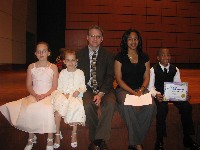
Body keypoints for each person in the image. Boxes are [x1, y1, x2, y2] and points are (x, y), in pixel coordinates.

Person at [0, 41, 59, 150]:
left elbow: (55, 86)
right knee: (28, 108)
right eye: (39, 51)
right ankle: (31, 137)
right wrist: (35, 95)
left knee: (47, 109)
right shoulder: (31, 67)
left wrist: (45, 95)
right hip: (34, 94)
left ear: (49, 53)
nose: (41, 53)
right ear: (35, 54)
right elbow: (28, 85)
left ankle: (50, 138)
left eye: (44, 51)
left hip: (49, 94)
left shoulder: (53, 67)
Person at [148, 48, 200, 150]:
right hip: (161, 96)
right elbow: (150, 87)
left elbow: (178, 84)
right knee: (162, 109)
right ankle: (159, 140)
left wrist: (183, 95)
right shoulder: (153, 70)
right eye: (163, 55)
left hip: (172, 94)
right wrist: (156, 94)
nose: (166, 57)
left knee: (187, 106)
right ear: (158, 58)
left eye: (168, 55)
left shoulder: (175, 69)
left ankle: (187, 137)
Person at [114, 29, 156, 150]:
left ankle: (134, 141)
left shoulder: (145, 57)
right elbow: (119, 80)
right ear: (126, 41)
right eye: (130, 39)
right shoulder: (119, 57)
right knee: (126, 106)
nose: (133, 41)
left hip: (141, 88)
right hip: (124, 89)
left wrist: (142, 89)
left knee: (152, 106)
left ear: (139, 40)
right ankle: (138, 144)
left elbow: (147, 77)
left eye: (135, 39)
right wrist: (132, 92)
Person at [77, 25, 116, 150]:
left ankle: (98, 140)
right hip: (87, 88)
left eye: (98, 36)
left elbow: (110, 76)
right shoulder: (79, 54)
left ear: (102, 39)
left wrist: (100, 93)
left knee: (110, 104)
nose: (95, 39)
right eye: (92, 36)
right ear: (87, 38)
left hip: (105, 88)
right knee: (88, 105)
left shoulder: (109, 55)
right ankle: (97, 139)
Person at [51, 49, 86, 148]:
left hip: (75, 95)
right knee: (57, 110)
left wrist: (78, 91)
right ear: (64, 62)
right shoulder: (62, 73)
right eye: (68, 60)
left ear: (76, 61)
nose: (71, 62)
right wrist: (63, 93)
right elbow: (59, 87)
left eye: (73, 60)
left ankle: (74, 133)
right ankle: (57, 134)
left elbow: (83, 87)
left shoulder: (80, 72)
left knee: (76, 107)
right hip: (64, 94)